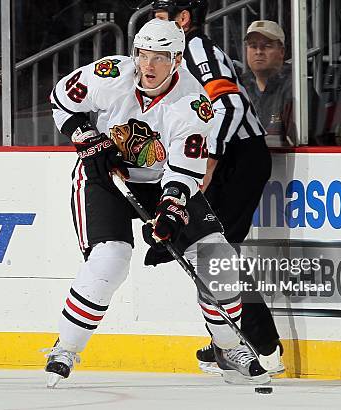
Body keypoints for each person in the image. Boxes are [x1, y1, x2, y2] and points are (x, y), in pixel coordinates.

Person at [45, 18, 276, 388]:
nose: (148, 66)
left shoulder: (194, 103)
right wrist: (86, 137)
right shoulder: (109, 75)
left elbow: (184, 171)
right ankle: (66, 348)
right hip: (106, 178)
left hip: (161, 182)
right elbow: (60, 99)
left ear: (178, 59)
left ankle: (229, 346)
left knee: (217, 257)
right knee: (111, 259)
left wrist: (170, 210)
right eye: (143, 54)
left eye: (160, 57)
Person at [150, 1, 283, 378]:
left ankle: (260, 346)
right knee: (210, 254)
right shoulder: (176, 55)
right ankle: (232, 336)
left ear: (184, 19)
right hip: (229, 157)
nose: (152, 25)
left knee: (214, 253)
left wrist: (209, 159)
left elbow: (229, 105)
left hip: (237, 158)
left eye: (160, 16)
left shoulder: (197, 49)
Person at [239, 20, 322, 146]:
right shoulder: (239, 85)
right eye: (253, 46)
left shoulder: (297, 86)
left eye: (266, 46)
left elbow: (297, 142)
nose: (259, 51)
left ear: (282, 52)